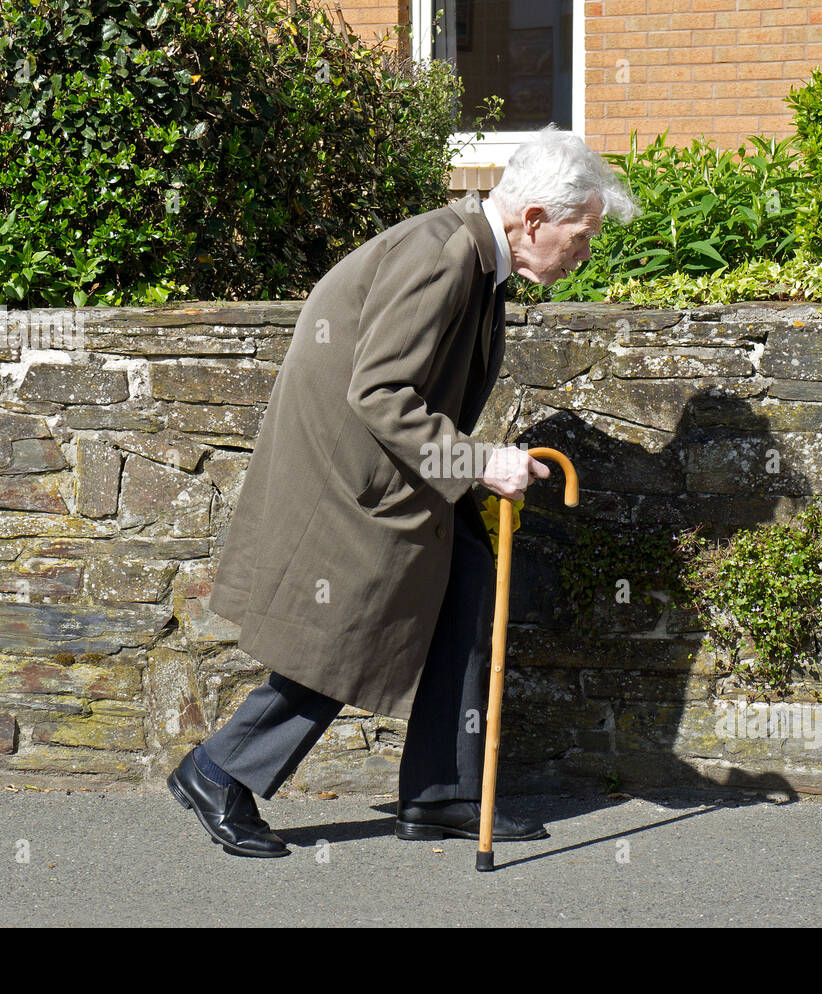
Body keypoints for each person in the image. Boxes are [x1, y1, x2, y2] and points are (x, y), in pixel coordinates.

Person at [167, 124, 640, 857]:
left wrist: (466, 461)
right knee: (346, 629)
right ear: (535, 220)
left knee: (469, 583)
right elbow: (381, 390)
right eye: (580, 235)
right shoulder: (445, 255)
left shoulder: (477, 258)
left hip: (395, 465)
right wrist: (479, 463)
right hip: (355, 472)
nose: (584, 252)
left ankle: (442, 793)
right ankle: (218, 768)